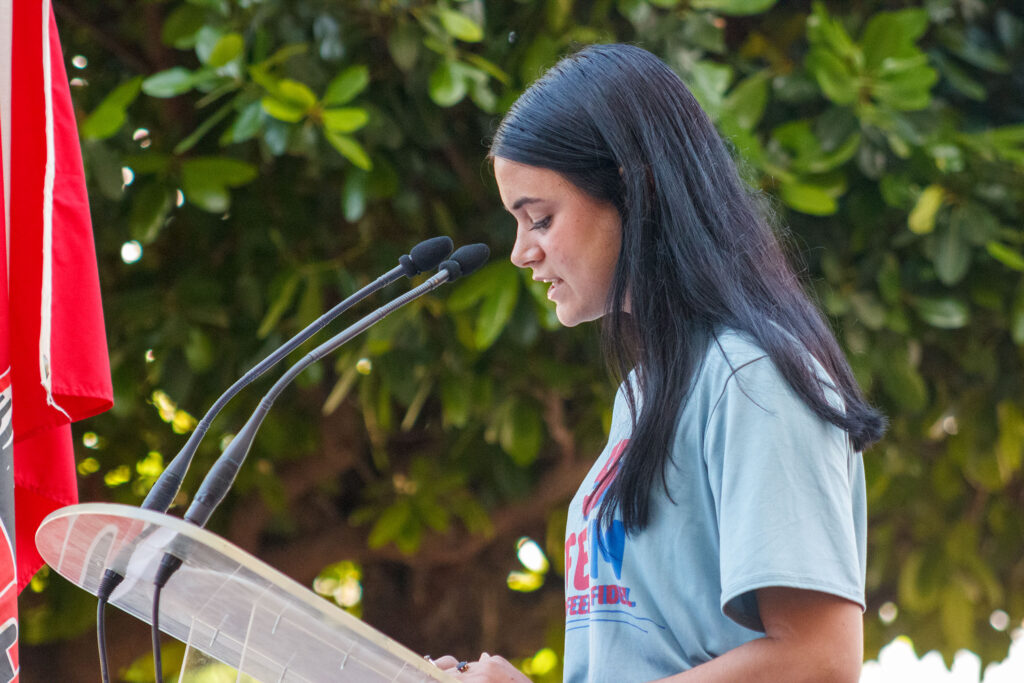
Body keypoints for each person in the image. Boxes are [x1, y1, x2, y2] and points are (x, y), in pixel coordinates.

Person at [435, 43, 885, 683]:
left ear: (633, 184)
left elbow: (818, 659)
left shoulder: (752, 380)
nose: (520, 253)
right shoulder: (644, 394)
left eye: (538, 219)